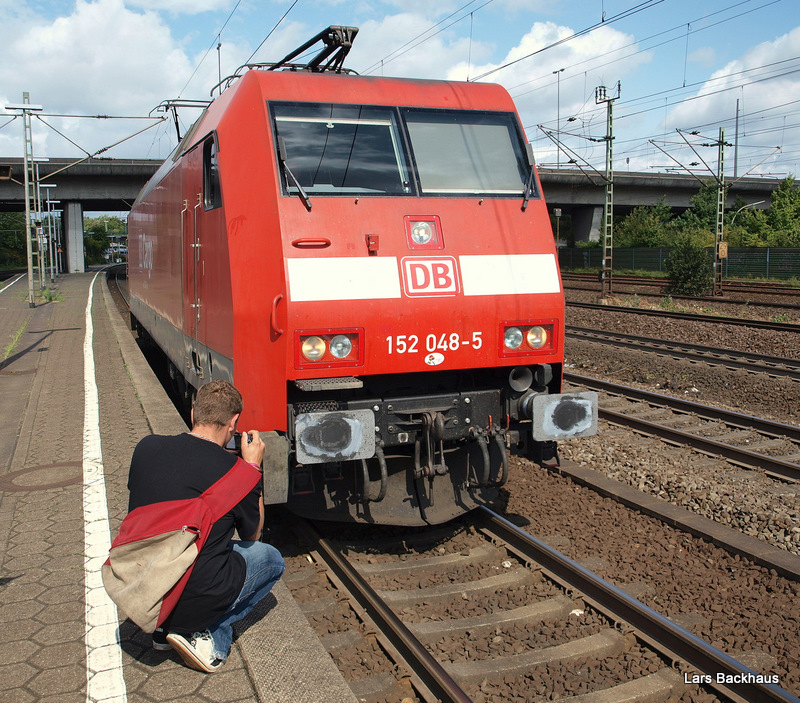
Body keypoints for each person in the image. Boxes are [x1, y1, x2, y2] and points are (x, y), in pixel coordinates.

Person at [126, 379, 285, 673]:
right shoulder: (235, 472)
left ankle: (161, 629)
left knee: (197, 540)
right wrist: (252, 471)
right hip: (194, 595)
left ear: (192, 414)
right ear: (233, 423)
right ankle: (209, 637)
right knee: (271, 559)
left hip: (140, 584)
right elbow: (253, 535)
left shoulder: (146, 447)